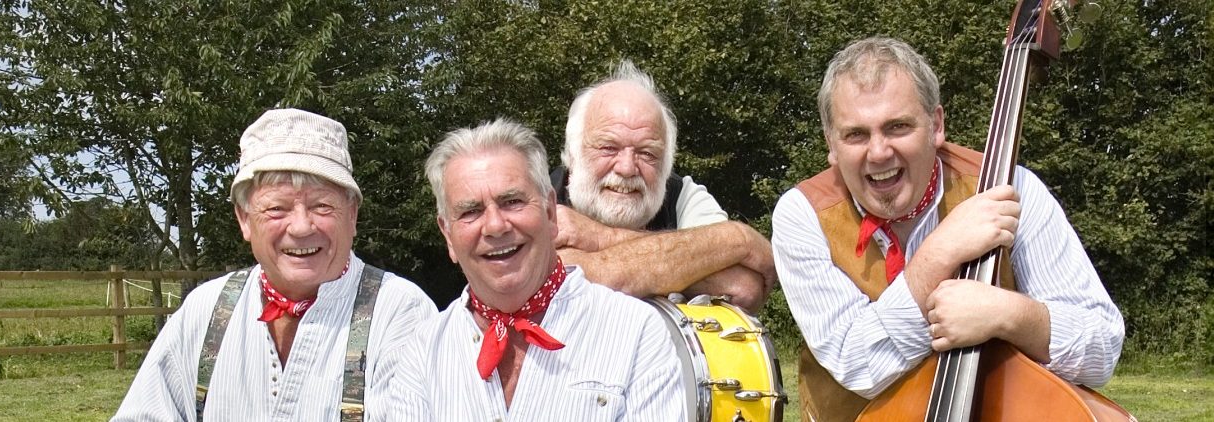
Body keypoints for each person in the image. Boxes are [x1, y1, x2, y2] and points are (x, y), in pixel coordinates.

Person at [770, 37, 1125, 421]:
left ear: (936, 125)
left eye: (897, 126)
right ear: (832, 146)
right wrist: (942, 251)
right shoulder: (801, 214)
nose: (878, 152)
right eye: (856, 134)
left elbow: (1101, 348)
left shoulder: (1011, 187)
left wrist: (1010, 315)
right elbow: (857, 361)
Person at [113, 109, 437, 421]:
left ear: (351, 215)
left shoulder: (400, 312)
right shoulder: (206, 309)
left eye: (322, 206)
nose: (301, 227)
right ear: (245, 220)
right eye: (277, 209)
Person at [386, 119, 685, 420]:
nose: (494, 226)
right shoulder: (422, 353)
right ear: (448, 235)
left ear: (550, 213)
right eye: (470, 211)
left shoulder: (634, 331)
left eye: (512, 201)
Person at [551, 60, 776, 311]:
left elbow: (744, 287)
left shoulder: (684, 197)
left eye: (647, 153)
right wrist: (737, 241)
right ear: (572, 154)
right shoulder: (530, 201)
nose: (627, 168)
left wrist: (599, 239)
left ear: (667, 164)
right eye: (608, 148)